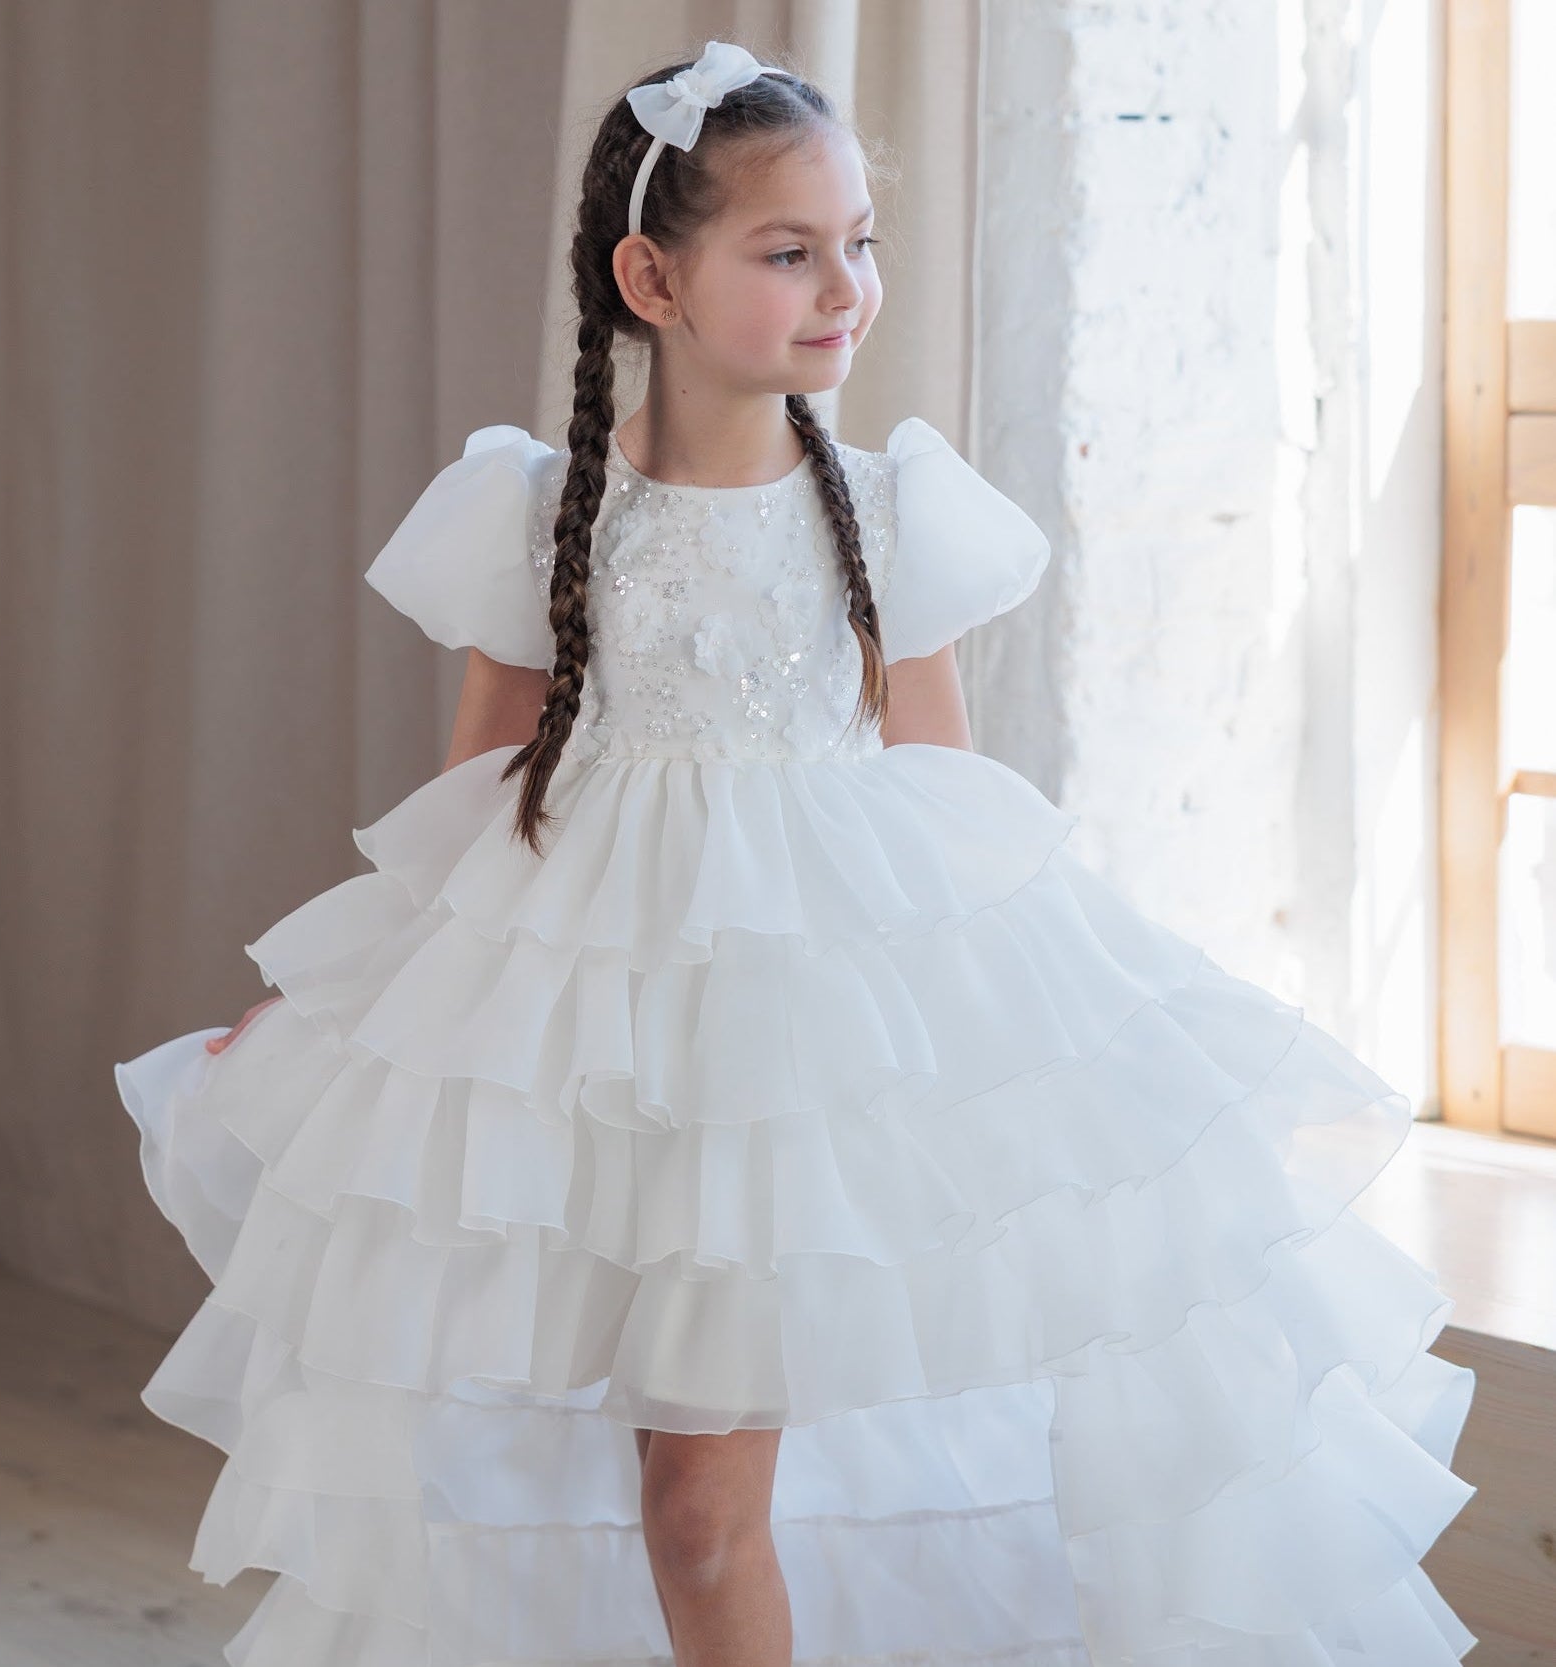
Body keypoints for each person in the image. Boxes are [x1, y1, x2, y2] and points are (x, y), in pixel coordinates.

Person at [114, 38, 1480, 1667]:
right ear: (652, 277)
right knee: (621, 1485)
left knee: (701, 1507)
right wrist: (338, 1017)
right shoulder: (545, 513)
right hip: (605, 1060)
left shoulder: (896, 516)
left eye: (861, 242)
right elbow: (479, 798)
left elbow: (948, 806)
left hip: (800, 1069)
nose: (848, 286)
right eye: (789, 250)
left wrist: (1048, 1067)